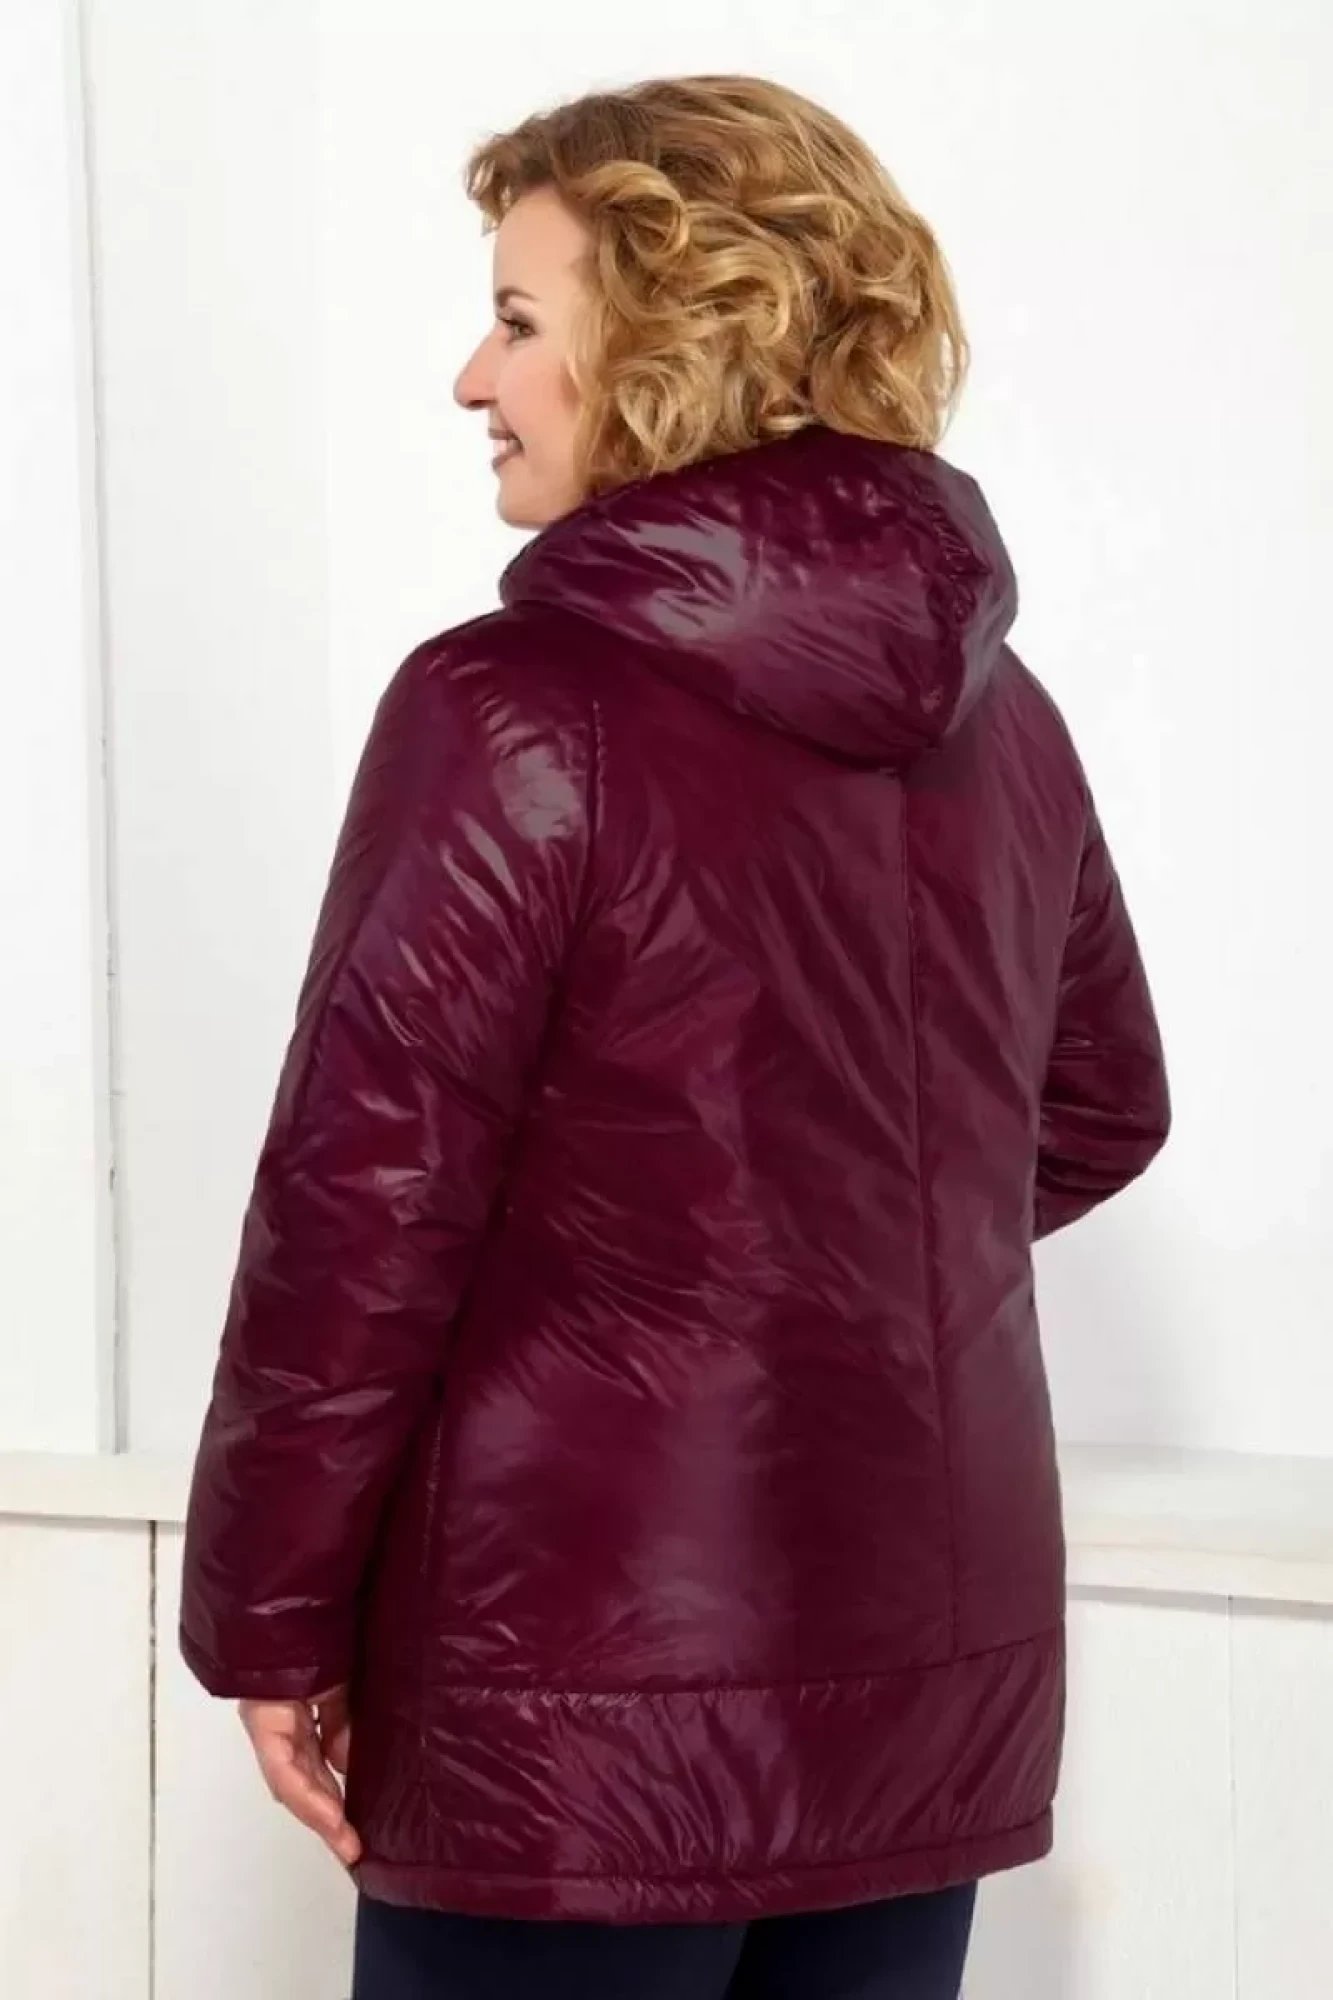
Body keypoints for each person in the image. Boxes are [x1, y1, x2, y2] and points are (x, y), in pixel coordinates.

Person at [180, 74, 1170, 2000]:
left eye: (519, 320)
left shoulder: (509, 708)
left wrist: (266, 1618)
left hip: (574, 1695)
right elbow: (1098, 1108)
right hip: (920, 1683)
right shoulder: (1007, 719)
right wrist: (797, 1254)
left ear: (669, 342)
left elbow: (364, 1204)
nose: (474, 378)